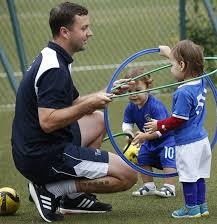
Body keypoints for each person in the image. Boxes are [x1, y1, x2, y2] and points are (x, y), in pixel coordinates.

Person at [11, 2, 137, 223]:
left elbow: (75, 101)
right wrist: (88, 106)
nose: (90, 33)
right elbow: (47, 122)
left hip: (34, 147)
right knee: (128, 176)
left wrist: (109, 90)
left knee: (97, 120)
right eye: (84, 28)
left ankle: (73, 198)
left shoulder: (54, 55)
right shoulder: (54, 70)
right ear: (65, 32)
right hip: (43, 154)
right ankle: (52, 190)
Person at [145, 40, 211, 218]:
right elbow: (191, 65)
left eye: (172, 64)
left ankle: (191, 208)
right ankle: (201, 206)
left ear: (182, 65)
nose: (170, 67)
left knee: (188, 177)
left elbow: (177, 120)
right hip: (202, 140)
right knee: (198, 175)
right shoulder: (202, 81)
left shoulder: (182, 92)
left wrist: (158, 125)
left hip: (188, 143)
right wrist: (169, 53)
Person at [122, 67, 176, 198]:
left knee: (167, 159)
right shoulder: (130, 107)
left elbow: (163, 129)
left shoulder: (155, 106)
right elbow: (127, 123)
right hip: (148, 140)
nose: (133, 94)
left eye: (138, 90)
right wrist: (128, 133)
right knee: (142, 158)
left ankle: (170, 187)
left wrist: (144, 136)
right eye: (129, 91)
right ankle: (149, 186)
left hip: (166, 139)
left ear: (149, 87)